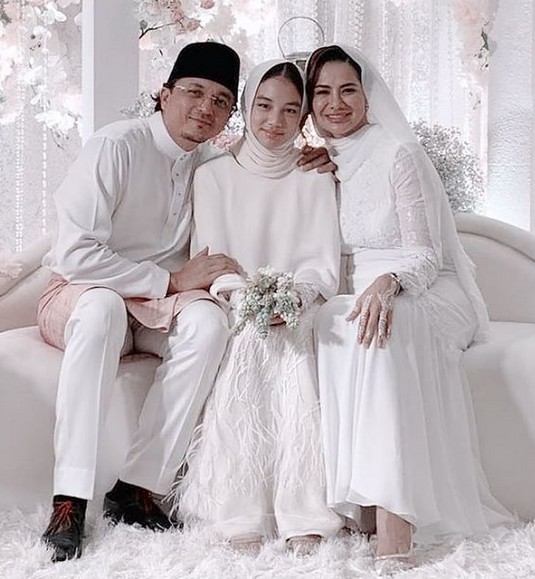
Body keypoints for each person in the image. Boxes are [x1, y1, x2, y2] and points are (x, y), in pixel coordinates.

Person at [305, 45, 513, 572]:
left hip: (425, 285)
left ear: (367, 94)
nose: (335, 103)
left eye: (348, 90)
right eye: (322, 92)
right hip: (358, 289)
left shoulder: (399, 153)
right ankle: (358, 508)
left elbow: (427, 253)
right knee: (330, 321)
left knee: (383, 330)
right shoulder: (323, 163)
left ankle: (395, 530)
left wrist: (392, 282)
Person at [37, 41, 243, 563]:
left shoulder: (215, 166)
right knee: (103, 307)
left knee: (209, 323)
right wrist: (170, 280)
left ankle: (138, 487)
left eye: (221, 100)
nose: (206, 107)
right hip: (78, 295)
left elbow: (269, 165)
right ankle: (70, 500)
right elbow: (75, 254)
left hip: (151, 307)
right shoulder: (117, 145)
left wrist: (317, 158)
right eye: (195, 91)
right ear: (164, 93)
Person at [177, 59, 343, 554]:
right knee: (252, 338)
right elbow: (212, 260)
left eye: (290, 110)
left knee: (290, 343)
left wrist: (294, 298)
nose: (275, 120)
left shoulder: (316, 177)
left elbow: (321, 263)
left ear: (303, 117)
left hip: (299, 305)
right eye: (265, 106)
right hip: (236, 303)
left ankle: (303, 509)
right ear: (247, 107)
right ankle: (238, 508)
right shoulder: (212, 176)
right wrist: (248, 299)